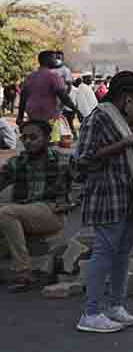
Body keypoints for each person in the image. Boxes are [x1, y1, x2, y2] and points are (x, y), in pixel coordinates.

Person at [71, 71, 133, 333]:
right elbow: (83, 159)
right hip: (108, 194)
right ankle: (90, 312)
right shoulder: (100, 117)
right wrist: (124, 144)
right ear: (125, 97)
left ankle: (115, 305)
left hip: (131, 195)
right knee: (105, 252)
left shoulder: (130, 119)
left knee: (123, 253)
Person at [0, 120, 71, 292]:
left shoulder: (61, 160)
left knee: (6, 212)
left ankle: (24, 272)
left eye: (33, 137)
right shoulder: (18, 162)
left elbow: (84, 183)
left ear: (47, 138)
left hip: (51, 213)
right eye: (24, 138)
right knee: (6, 213)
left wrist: (67, 202)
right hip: (25, 211)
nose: (28, 142)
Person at [17, 50, 76, 131]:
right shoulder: (54, 76)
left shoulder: (30, 76)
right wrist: (76, 110)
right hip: (50, 116)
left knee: (36, 138)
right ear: (46, 60)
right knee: (53, 140)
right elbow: (64, 96)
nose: (56, 61)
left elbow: (23, 97)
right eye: (54, 58)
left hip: (32, 115)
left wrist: (19, 117)